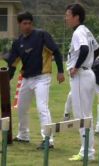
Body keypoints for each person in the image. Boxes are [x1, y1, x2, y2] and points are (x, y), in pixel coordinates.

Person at [7, 11, 65, 149]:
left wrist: (61, 72)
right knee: (21, 108)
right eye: (24, 23)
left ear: (32, 23)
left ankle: (48, 140)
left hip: (42, 77)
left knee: (42, 107)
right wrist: (6, 81)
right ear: (19, 24)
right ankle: (23, 135)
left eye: (29, 23)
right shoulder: (18, 42)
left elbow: (56, 51)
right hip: (26, 79)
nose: (27, 26)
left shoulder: (42, 35)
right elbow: (12, 64)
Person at [65, 3, 99, 161]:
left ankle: (87, 151)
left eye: (68, 15)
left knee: (81, 115)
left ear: (76, 16)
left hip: (81, 76)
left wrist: (76, 67)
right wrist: (89, 64)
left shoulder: (78, 32)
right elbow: (97, 49)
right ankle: (88, 151)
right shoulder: (86, 30)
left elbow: (85, 49)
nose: (66, 18)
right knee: (87, 114)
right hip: (88, 74)